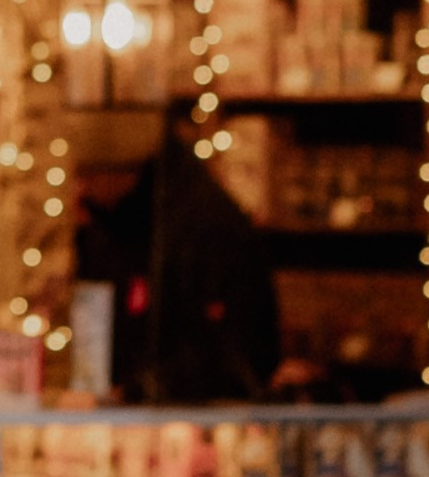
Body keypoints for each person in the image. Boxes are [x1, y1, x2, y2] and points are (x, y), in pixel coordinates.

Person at [74, 133, 280, 400]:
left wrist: (130, 393)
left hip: (198, 411)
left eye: (87, 175)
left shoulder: (202, 224)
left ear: (122, 171)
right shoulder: (114, 223)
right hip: (135, 406)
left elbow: (229, 354)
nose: (79, 188)